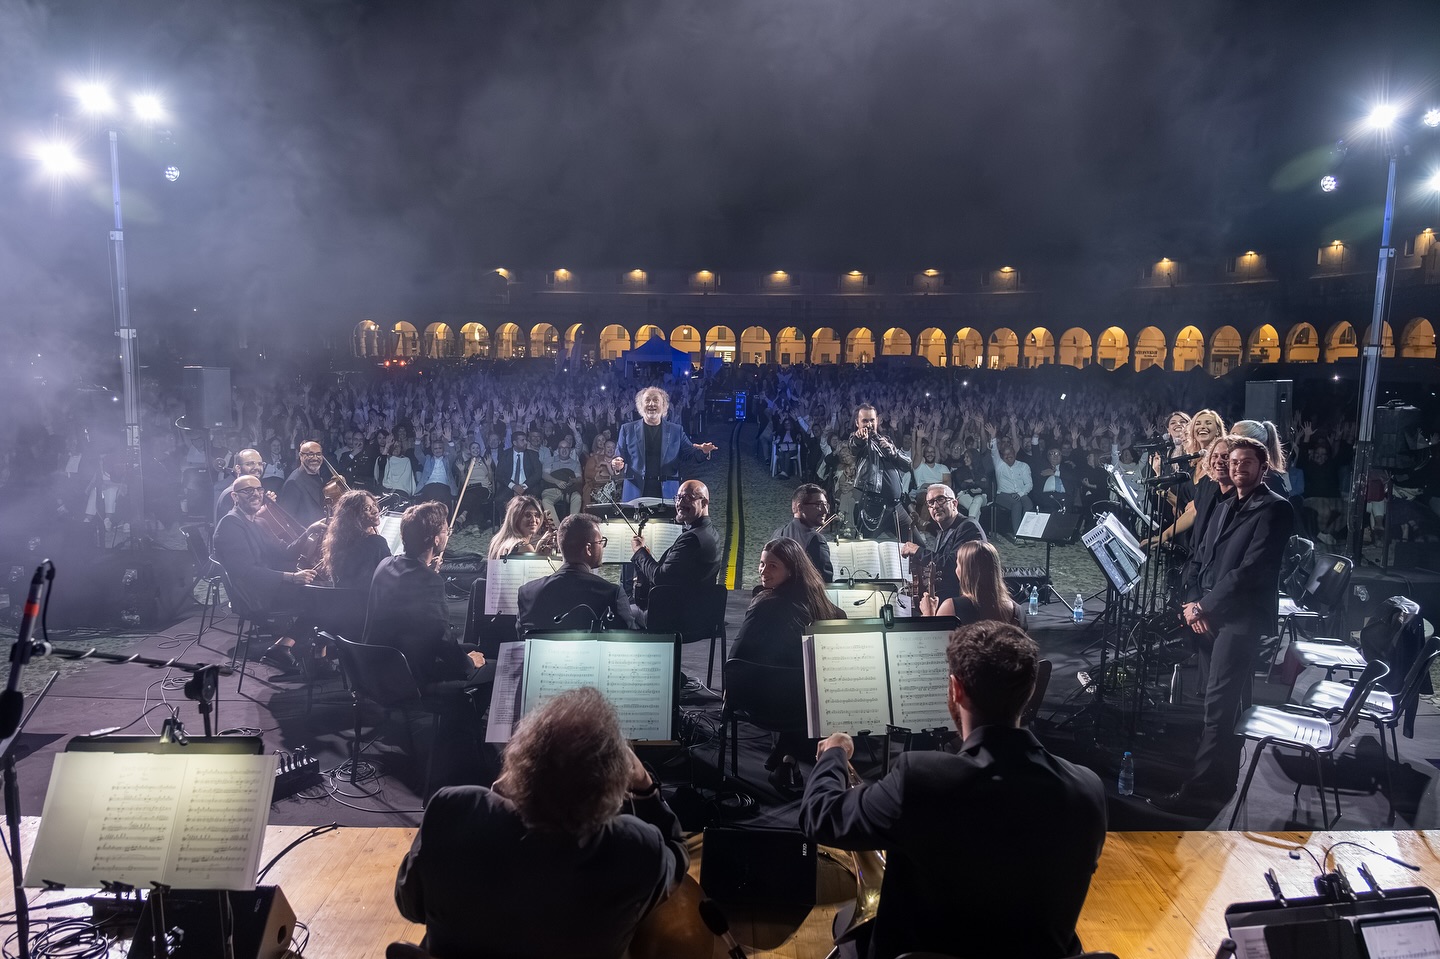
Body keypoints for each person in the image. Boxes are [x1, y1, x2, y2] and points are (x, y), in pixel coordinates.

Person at [800, 622, 1106, 959]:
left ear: (955, 688)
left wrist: (834, 754)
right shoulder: (1087, 790)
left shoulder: (919, 779)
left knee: (847, 929)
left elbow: (821, 816)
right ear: (1029, 691)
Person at [394, 687, 689, 959]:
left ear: (520, 755)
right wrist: (646, 789)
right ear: (613, 782)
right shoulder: (636, 850)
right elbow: (676, 853)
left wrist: (499, 793)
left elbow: (411, 906)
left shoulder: (454, 810)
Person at [1153, 435, 1295, 813]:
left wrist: (1205, 607)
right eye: (1233, 462)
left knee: (1220, 705)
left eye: (1246, 463)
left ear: (1263, 468)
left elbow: (1251, 571)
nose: (1238, 468)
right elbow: (1202, 558)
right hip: (1209, 611)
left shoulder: (1275, 509)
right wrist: (1192, 602)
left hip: (1241, 619)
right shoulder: (1224, 503)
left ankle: (1200, 792)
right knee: (1222, 704)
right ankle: (1223, 781)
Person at [729, 537, 845, 789]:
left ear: (791, 569)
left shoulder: (765, 603)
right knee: (802, 681)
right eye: (761, 564)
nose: (763, 571)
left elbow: (736, 657)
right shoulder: (823, 604)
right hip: (814, 706)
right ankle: (788, 756)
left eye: (773, 566)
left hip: (766, 704)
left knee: (780, 680)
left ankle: (786, 758)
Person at [364, 501, 486, 688]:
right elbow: (441, 639)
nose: (447, 535)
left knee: (473, 649)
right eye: (446, 531)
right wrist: (468, 664)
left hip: (377, 664)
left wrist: (425, 571)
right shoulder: (429, 581)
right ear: (436, 540)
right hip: (407, 673)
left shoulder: (385, 564)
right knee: (489, 669)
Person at [212, 475, 317, 668]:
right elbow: (247, 572)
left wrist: (309, 531)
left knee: (321, 591)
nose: (256, 494)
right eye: (247, 491)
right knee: (320, 600)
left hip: (268, 586)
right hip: (254, 595)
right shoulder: (229, 525)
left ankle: (296, 647)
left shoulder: (258, 522)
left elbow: (285, 551)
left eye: (259, 489)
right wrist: (292, 578)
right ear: (235, 496)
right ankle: (292, 648)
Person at [516, 513, 634, 635]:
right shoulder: (613, 594)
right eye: (600, 542)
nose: (603, 547)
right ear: (588, 549)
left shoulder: (527, 592)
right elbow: (631, 639)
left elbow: (521, 640)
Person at [630, 479, 722, 619]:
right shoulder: (710, 531)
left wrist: (639, 551)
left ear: (704, 503)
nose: (679, 503)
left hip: (678, 617)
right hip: (701, 614)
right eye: (678, 498)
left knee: (623, 612)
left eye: (687, 498)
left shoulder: (692, 538)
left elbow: (660, 577)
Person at [611, 387, 718, 501]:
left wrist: (703, 451)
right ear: (640, 406)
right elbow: (619, 455)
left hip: (667, 493)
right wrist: (617, 463)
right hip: (635, 492)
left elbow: (690, 454)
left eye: (656, 400)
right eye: (647, 400)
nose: (651, 404)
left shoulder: (676, 430)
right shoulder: (627, 429)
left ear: (664, 406)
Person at [900, 483, 986, 606]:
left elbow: (953, 564)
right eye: (930, 503)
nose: (935, 506)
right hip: (949, 597)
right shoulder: (943, 531)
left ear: (954, 504)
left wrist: (918, 551)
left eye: (941, 499)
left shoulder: (968, 526)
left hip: (967, 601)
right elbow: (938, 565)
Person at [848, 404, 913, 540]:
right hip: (874, 507)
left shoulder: (886, 440)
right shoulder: (859, 439)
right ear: (857, 423)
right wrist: (860, 439)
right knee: (863, 547)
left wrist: (893, 452)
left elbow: (908, 465)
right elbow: (854, 446)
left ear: (877, 420)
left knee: (916, 545)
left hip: (896, 507)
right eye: (864, 421)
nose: (869, 424)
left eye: (872, 420)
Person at [919, 540, 1020, 625]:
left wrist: (928, 614)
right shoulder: (1017, 611)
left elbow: (934, 646)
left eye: (958, 564)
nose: (956, 570)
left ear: (965, 571)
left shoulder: (951, 607)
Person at [317, 490, 390, 590]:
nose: (375, 510)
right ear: (353, 516)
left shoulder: (337, 542)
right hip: (370, 603)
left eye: (374, 505)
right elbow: (391, 577)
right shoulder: (377, 543)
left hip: (346, 602)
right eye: (367, 508)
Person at [772, 483, 835, 583]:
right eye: (818, 505)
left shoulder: (778, 533)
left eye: (826, 505)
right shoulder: (816, 540)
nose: (825, 510)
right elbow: (825, 581)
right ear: (800, 507)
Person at [986, 427, 1033, 542]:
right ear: (1002, 456)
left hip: (1021, 493)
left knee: (1029, 505)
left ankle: (1026, 533)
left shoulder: (1023, 466)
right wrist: (993, 437)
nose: (1008, 456)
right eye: (1005, 454)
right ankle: (1018, 536)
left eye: (1010, 453)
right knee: (1016, 505)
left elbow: (1029, 484)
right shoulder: (1000, 465)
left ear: (1014, 453)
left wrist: (1021, 493)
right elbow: (994, 452)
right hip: (1003, 495)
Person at [278, 440, 332, 526]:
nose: (315, 458)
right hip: (307, 535)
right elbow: (287, 518)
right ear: (301, 456)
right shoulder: (293, 482)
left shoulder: (317, 476)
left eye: (318, 454)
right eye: (310, 454)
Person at [487, 495, 556, 560]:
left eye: (536, 515)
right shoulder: (524, 547)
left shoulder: (497, 540)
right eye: (527, 515)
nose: (533, 520)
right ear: (515, 518)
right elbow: (534, 571)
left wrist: (539, 547)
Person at [213, 447, 270, 524]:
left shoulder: (256, 492)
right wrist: (261, 511)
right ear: (238, 469)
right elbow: (231, 526)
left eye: (260, 464)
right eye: (250, 464)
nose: (257, 468)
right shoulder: (230, 494)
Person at [540, 434, 585, 524]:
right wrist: (557, 481)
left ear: (570, 450)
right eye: (561, 448)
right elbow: (545, 475)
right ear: (558, 449)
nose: (564, 450)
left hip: (569, 490)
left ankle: (571, 527)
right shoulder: (550, 460)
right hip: (552, 489)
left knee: (577, 498)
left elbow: (580, 479)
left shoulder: (575, 463)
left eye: (567, 448)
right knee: (545, 501)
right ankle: (557, 529)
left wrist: (573, 481)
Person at [497, 429, 544, 513]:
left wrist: (524, 486)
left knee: (536, 497)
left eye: (526, 439)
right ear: (515, 443)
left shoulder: (533, 454)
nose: (526, 442)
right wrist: (514, 486)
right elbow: (499, 474)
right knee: (500, 499)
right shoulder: (505, 454)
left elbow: (538, 473)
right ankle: (507, 523)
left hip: (528, 485)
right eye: (522, 440)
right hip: (510, 486)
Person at [415, 437, 458, 511]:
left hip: (444, 487)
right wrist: (418, 440)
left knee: (441, 497)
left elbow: (454, 454)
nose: (438, 450)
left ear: (443, 449)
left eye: (440, 448)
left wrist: (450, 440)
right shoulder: (427, 460)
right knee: (427, 502)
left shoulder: (447, 460)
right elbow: (418, 454)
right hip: (428, 487)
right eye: (435, 448)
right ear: (432, 450)